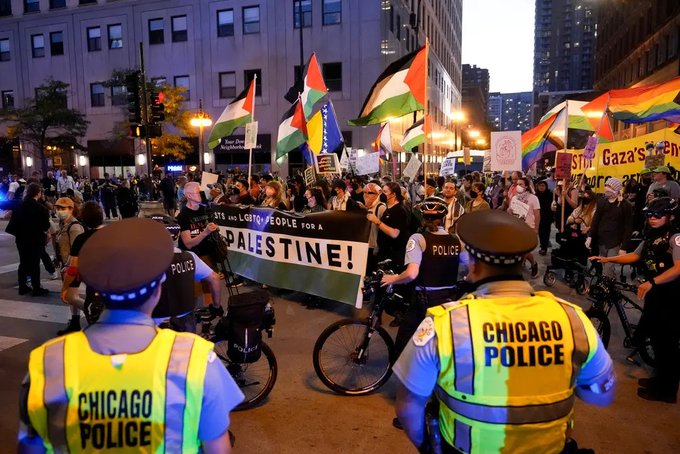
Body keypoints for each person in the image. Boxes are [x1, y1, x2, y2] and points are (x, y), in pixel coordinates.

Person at [393, 210, 616, 453]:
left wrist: (427, 446)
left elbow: (408, 407)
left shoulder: (444, 324)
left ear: (475, 265)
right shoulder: (573, 319)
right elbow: (600, 396)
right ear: (522, 262)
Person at [18, 218, 243, 452]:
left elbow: (30, 448)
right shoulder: (196, 360)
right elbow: (218, 448)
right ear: (157, 290)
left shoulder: (47, 363)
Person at [590, 197, 680, 403]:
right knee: (656, 340)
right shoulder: (652, 235)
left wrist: (652, 283)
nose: (653, 219)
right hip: (656, 293)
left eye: (658, 215)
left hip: (672, 295)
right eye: (650, 215)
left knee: (668, 344)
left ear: (671, 216)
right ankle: (659, 380)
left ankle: (666, 391)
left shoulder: (675, 237)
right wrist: (607, 259)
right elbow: (634, 256)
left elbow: (678, 268)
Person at [380, 197, 461, 357]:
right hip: (450, 300)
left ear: (423, 218)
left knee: (404, 341)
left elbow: (411, 273)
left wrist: (393, 278)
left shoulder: (418, 239)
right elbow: (469, 269)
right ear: (443, 218)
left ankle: (405, 372)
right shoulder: (456, 241)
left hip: (424, 301)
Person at [150, 215, 224, 332]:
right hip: (185, 320)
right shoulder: (190, 257)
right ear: (178, 235)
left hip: (154, 322)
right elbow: (214, 278)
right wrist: (216, 307)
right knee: (189, 350)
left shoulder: (142, 261)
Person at [6, 183, 51, 296]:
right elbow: (45, 226)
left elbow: (14, 221)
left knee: (23, 262)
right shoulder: (42, 209)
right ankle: (36, 288)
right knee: (35, 264)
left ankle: (22, 286)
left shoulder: (19, 205)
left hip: (21, 239)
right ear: (38, 193)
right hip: (35, 239)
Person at [586, 177, 633, 279]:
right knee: (605, 267)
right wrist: (590, 236)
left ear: (616, 189)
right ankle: (610, 285)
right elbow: (596, 220)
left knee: (608, 267)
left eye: (609, 186)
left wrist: (624, 247)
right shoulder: (602, 202)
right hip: (601, 240)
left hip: (615, 242)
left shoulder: (625, 206)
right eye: (606, 186)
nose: (606, 188)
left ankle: (607, 289)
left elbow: (628, 227)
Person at [368, 182, 410, 271]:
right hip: (385, 253)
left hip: (394, 255)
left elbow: (394, 233)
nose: (382, 194)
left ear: (393, 194)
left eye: (385, 192)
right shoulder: (388, 208)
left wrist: (377, 221)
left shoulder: (399, 210)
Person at [507, 176, 540, 278]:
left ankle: (530, 265)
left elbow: (537, 214)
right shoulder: (514, 198)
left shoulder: (533, 198)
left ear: (526, 186)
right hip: (516, 227)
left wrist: (536, 228)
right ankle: (528, 264)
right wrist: (509, 211)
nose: (518, 186)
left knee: (524, 250)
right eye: (517, 184)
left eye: (521, 184)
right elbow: (511, 211)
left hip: (528, 227)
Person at [535, 179, 554, 255]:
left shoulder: (550, 194)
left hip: (547, 216)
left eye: (543, 185)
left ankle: (544, 247)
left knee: (546, 232)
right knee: (540, 232)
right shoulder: (536, 196)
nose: (541, 187)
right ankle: (543, 245)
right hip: (539, 216)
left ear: (546, 186)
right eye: (540, 185)